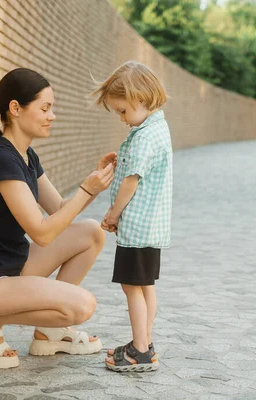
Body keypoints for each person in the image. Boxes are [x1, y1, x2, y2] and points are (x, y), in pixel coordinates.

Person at [0, 68, 117, 369]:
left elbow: (59, 209)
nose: (51, 116)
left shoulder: (26, 155)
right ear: (15, 109)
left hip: (14, 266)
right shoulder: (1, 158)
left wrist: (94, 184)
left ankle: (49, 334)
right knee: (81, 306)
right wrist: (85, 190)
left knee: (91, 232)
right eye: (45, 108)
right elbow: (42, 233)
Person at [91, 61, 173, 372]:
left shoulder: (144, 137)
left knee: (131, 287)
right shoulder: (155, 129)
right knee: (145, 285)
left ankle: (140, 350)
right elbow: (137, 166)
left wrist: (113, 214)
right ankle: (145, 341)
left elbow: (131, 180)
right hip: (152, 227)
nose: (123, 118)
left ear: (140, 99)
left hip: (137, 226)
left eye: (123, 111)